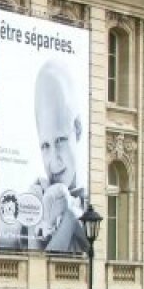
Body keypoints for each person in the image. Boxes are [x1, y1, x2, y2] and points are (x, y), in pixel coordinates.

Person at [28, 59, 88, 253]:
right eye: (45, 145)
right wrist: (32, 214)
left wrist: (71, 217)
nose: (54, 162)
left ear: (77, 129)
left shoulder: (92, 201)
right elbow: (37, 271)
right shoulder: (35, 197)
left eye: (61, 140)